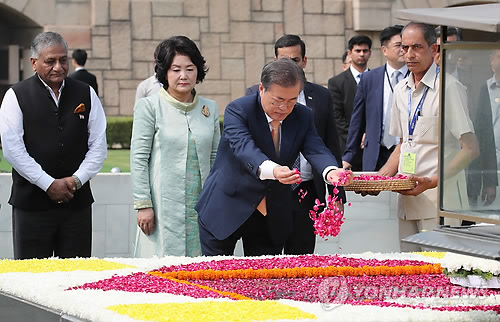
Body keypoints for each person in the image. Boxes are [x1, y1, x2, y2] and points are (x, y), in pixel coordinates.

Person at [196, 58, 353, 257]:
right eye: (278, 100)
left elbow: (316, 149)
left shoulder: (302, 115)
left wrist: (331, 172)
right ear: (262, 89)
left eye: (292, 100)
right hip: (227, 204)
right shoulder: (238, 110)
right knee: (215, 277)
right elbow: (245, 149)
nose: (285, 108)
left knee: (264, 281)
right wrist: (274, 170)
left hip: (270, 213)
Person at [0, 31, 107, 259]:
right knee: (30, 281)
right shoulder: (15, 96)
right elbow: (12, 149)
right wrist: (48, 184)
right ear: (34, 63)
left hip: (76, 205)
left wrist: (75, 181)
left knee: (76, 277)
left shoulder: (86, 93)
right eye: (50, 61)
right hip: (31, 206)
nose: (58, 67)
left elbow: (98, 146)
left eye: (63, 60)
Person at [376, 22, 479, 251]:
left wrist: (431, 182)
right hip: (407, 199)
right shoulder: (401, 90)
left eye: (417, 47)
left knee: (438, 277)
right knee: (410, 275)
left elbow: (470, 149)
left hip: (439, 203)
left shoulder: (449, 87)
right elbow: (403, 144)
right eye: (404, 48)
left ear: (434, 50)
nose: (409, 54)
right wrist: (378, 179)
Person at [246, 34, 345, 255]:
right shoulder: (255, 95)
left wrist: (337, 192)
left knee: (301, 263)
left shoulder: (320, 96)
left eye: (295, 60)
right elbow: (247, 148)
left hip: (307, 192)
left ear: (305, 61)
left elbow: (329, 146)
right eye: (284, 61)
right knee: (263, 263)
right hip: (267, 192)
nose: (290, 66)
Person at [130, 36, 221, 257]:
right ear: (164, 73)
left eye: (190, 69)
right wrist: (143, 204)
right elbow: (139, 158)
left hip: (202, 206)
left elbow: (216, 158)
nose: (183, 76)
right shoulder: (149, 107)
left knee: (200, 273)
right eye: (175, 69)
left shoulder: (210, 108)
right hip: (162, 208)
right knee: (161, 271)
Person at [343, 25, 408, 171]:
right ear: (384, 50)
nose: (403, 50)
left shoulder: (415, 77)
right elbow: (357, 121)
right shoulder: (369, 79)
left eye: (406, 46)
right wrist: (348, 157)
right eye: (398, 45)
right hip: (376, 152)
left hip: (406, 152)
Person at [328, 35, 372, 170]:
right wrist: (357, 139)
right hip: (347, 146)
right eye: (358, 51)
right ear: (350, 53)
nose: (362, 54)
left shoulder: (378, 78)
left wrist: (370, 135)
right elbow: (337, 117)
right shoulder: (336, 82)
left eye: (365, 51)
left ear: (370, 53)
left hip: (375, 146)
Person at [467, 48, 500, 207]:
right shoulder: (484, 89)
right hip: (492, 165)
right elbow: (481, 137)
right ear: (491, 61)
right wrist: (489, 180)